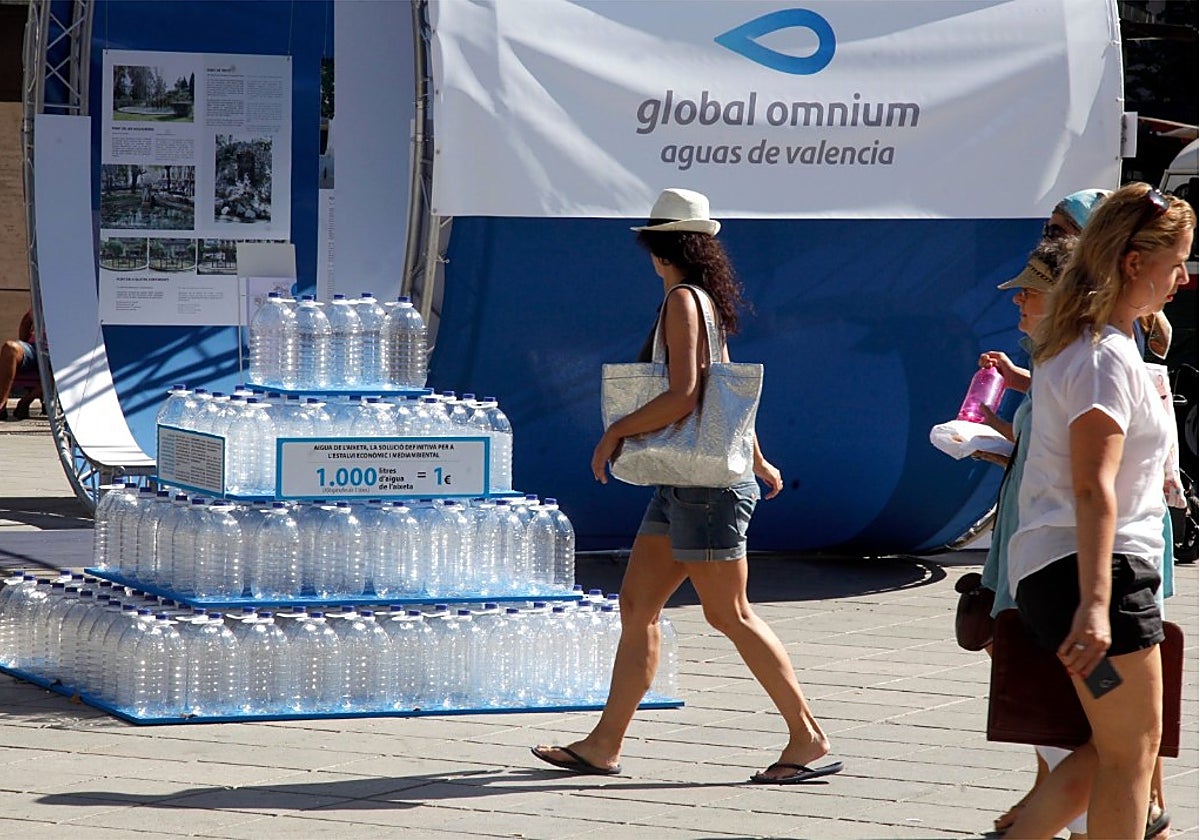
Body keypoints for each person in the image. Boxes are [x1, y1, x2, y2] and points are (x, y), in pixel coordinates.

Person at [531, 188, 839, 783]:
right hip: (687, 481)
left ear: (658, 246)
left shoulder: (680, 301)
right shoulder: (702, 300)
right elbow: (721, 396)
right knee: (637, 607)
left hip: (701, 488)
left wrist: (613, 432)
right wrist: (757, 457)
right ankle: (604, 744)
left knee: (731, 614)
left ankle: (807, 736)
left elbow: (686, 395)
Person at [1004, 183, 1195, 839]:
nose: (1183, 279)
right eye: (1176, 264)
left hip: (1072, 574)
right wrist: (1094, 601)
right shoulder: (1103, 358)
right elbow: (1092, 485)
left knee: (1109, 753)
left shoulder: (1088, 346)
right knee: (1132, 754)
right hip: (1096, 578)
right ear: (1135, 264)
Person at [0, 309, 42, 421]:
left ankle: (25, 401)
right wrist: (23, 345)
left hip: (60, 354)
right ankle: (1, 404)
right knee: (10, 348)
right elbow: (26, 322)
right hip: (35, 348)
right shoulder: (47, 301)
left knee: (64, 369)